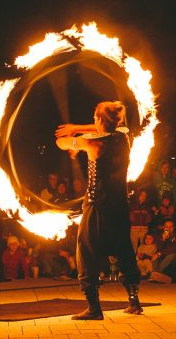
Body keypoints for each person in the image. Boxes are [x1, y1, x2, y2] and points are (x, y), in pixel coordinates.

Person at [55, 100, 141, 319]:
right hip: (119, 206)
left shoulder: (93, 145)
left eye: (95, 118)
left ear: (101, 120)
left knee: (85, 251)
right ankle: (134, 301)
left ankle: (93, 307)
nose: (93, 122)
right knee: (123, 251)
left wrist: (73, 139)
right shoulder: (123, 137)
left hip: (98, 206)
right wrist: (78, 128)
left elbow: (62, 143)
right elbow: (105, 129)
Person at [129, 189, 152, 253]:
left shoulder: (147, 207)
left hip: (144, 229)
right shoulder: (133, 206)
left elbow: (149, 219)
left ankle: (141, 260)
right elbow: (131, 217)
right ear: (138, 196)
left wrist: (145, 222)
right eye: (142, 195)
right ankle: (133, 260)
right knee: (133, 247)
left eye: (145, 196)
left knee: (143, 246)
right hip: (134, 229)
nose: (143, 197)